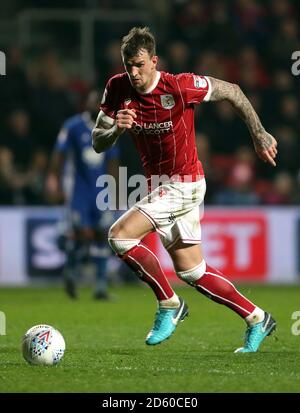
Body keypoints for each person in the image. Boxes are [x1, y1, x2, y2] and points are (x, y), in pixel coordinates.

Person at [92, 27, 278, 352]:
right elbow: (97, 141)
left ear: (154, 61)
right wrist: (116, 131)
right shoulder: (116, 87)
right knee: (193, 271)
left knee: (120, 236)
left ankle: (169, 304)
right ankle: (256, 317)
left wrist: (259, 133)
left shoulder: (179, 86)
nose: (133, 72)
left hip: (185, 183)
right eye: (127, 65)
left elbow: (232, 90)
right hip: (159, 186)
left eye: (138, 64)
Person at [47, 90, 119, 300]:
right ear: (86, 104)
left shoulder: (111, 128)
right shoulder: (73, 126)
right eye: (93, 102)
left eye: (101, 103)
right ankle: (71, 271)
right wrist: (54, 179)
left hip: (101, 190)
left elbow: (113, 162)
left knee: (102, 235)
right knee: (80, 234)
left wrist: (114, 191)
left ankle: (100, 287)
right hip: (78, 189)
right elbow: (58, 155)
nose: (97, 106)